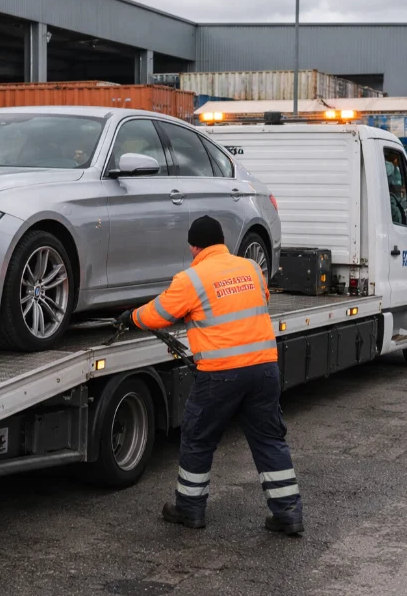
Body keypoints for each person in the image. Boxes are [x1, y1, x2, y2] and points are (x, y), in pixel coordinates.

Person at [115, 216, 304, 535]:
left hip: (220, 376)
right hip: (264, 370)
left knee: (198, 437)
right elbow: (259, 302)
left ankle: (190, 509)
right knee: (269, 440)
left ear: (194, 246)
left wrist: (130, 317)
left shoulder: (191, 279)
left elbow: (159, 314)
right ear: (221, 242)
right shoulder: (251, 270)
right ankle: (288, 514)